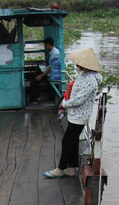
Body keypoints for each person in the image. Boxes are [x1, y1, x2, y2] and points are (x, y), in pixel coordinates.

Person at [43, 48, 102, 179]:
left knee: (67, 141)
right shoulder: (84, 75)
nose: (77, 65)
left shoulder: (91, 80)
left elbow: (79, 99)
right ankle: (71, 168)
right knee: (73, 141)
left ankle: (60, 168)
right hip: (75, 114)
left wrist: (64, 104)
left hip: (80, 116)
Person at [28, 37, 61, 104]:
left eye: (45, 45)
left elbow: (52, 68)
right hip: (51, 73)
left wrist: (41, 75)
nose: (45, 47)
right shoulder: (53, 52)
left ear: (48, 44)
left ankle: (34, 100)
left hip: (53, 75)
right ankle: (36, 98)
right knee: (35, 77)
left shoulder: (55, 53)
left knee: (34, 80)